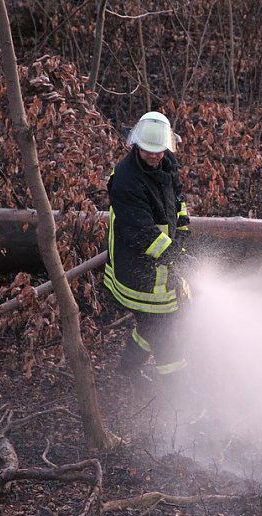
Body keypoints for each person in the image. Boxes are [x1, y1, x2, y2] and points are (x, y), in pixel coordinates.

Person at [103, 111, 191, 383]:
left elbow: (178, 204)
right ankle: (178, 392)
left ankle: (127, 371)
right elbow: (141, 233)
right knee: (161, 331)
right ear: (136, 145)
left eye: (159, 151)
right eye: (148, 151)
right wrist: (176, 256)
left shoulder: (168, 167)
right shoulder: (125, 180)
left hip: (163, 266)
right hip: (139, 271)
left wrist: (184, 237)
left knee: (153, 325)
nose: (154, 156)